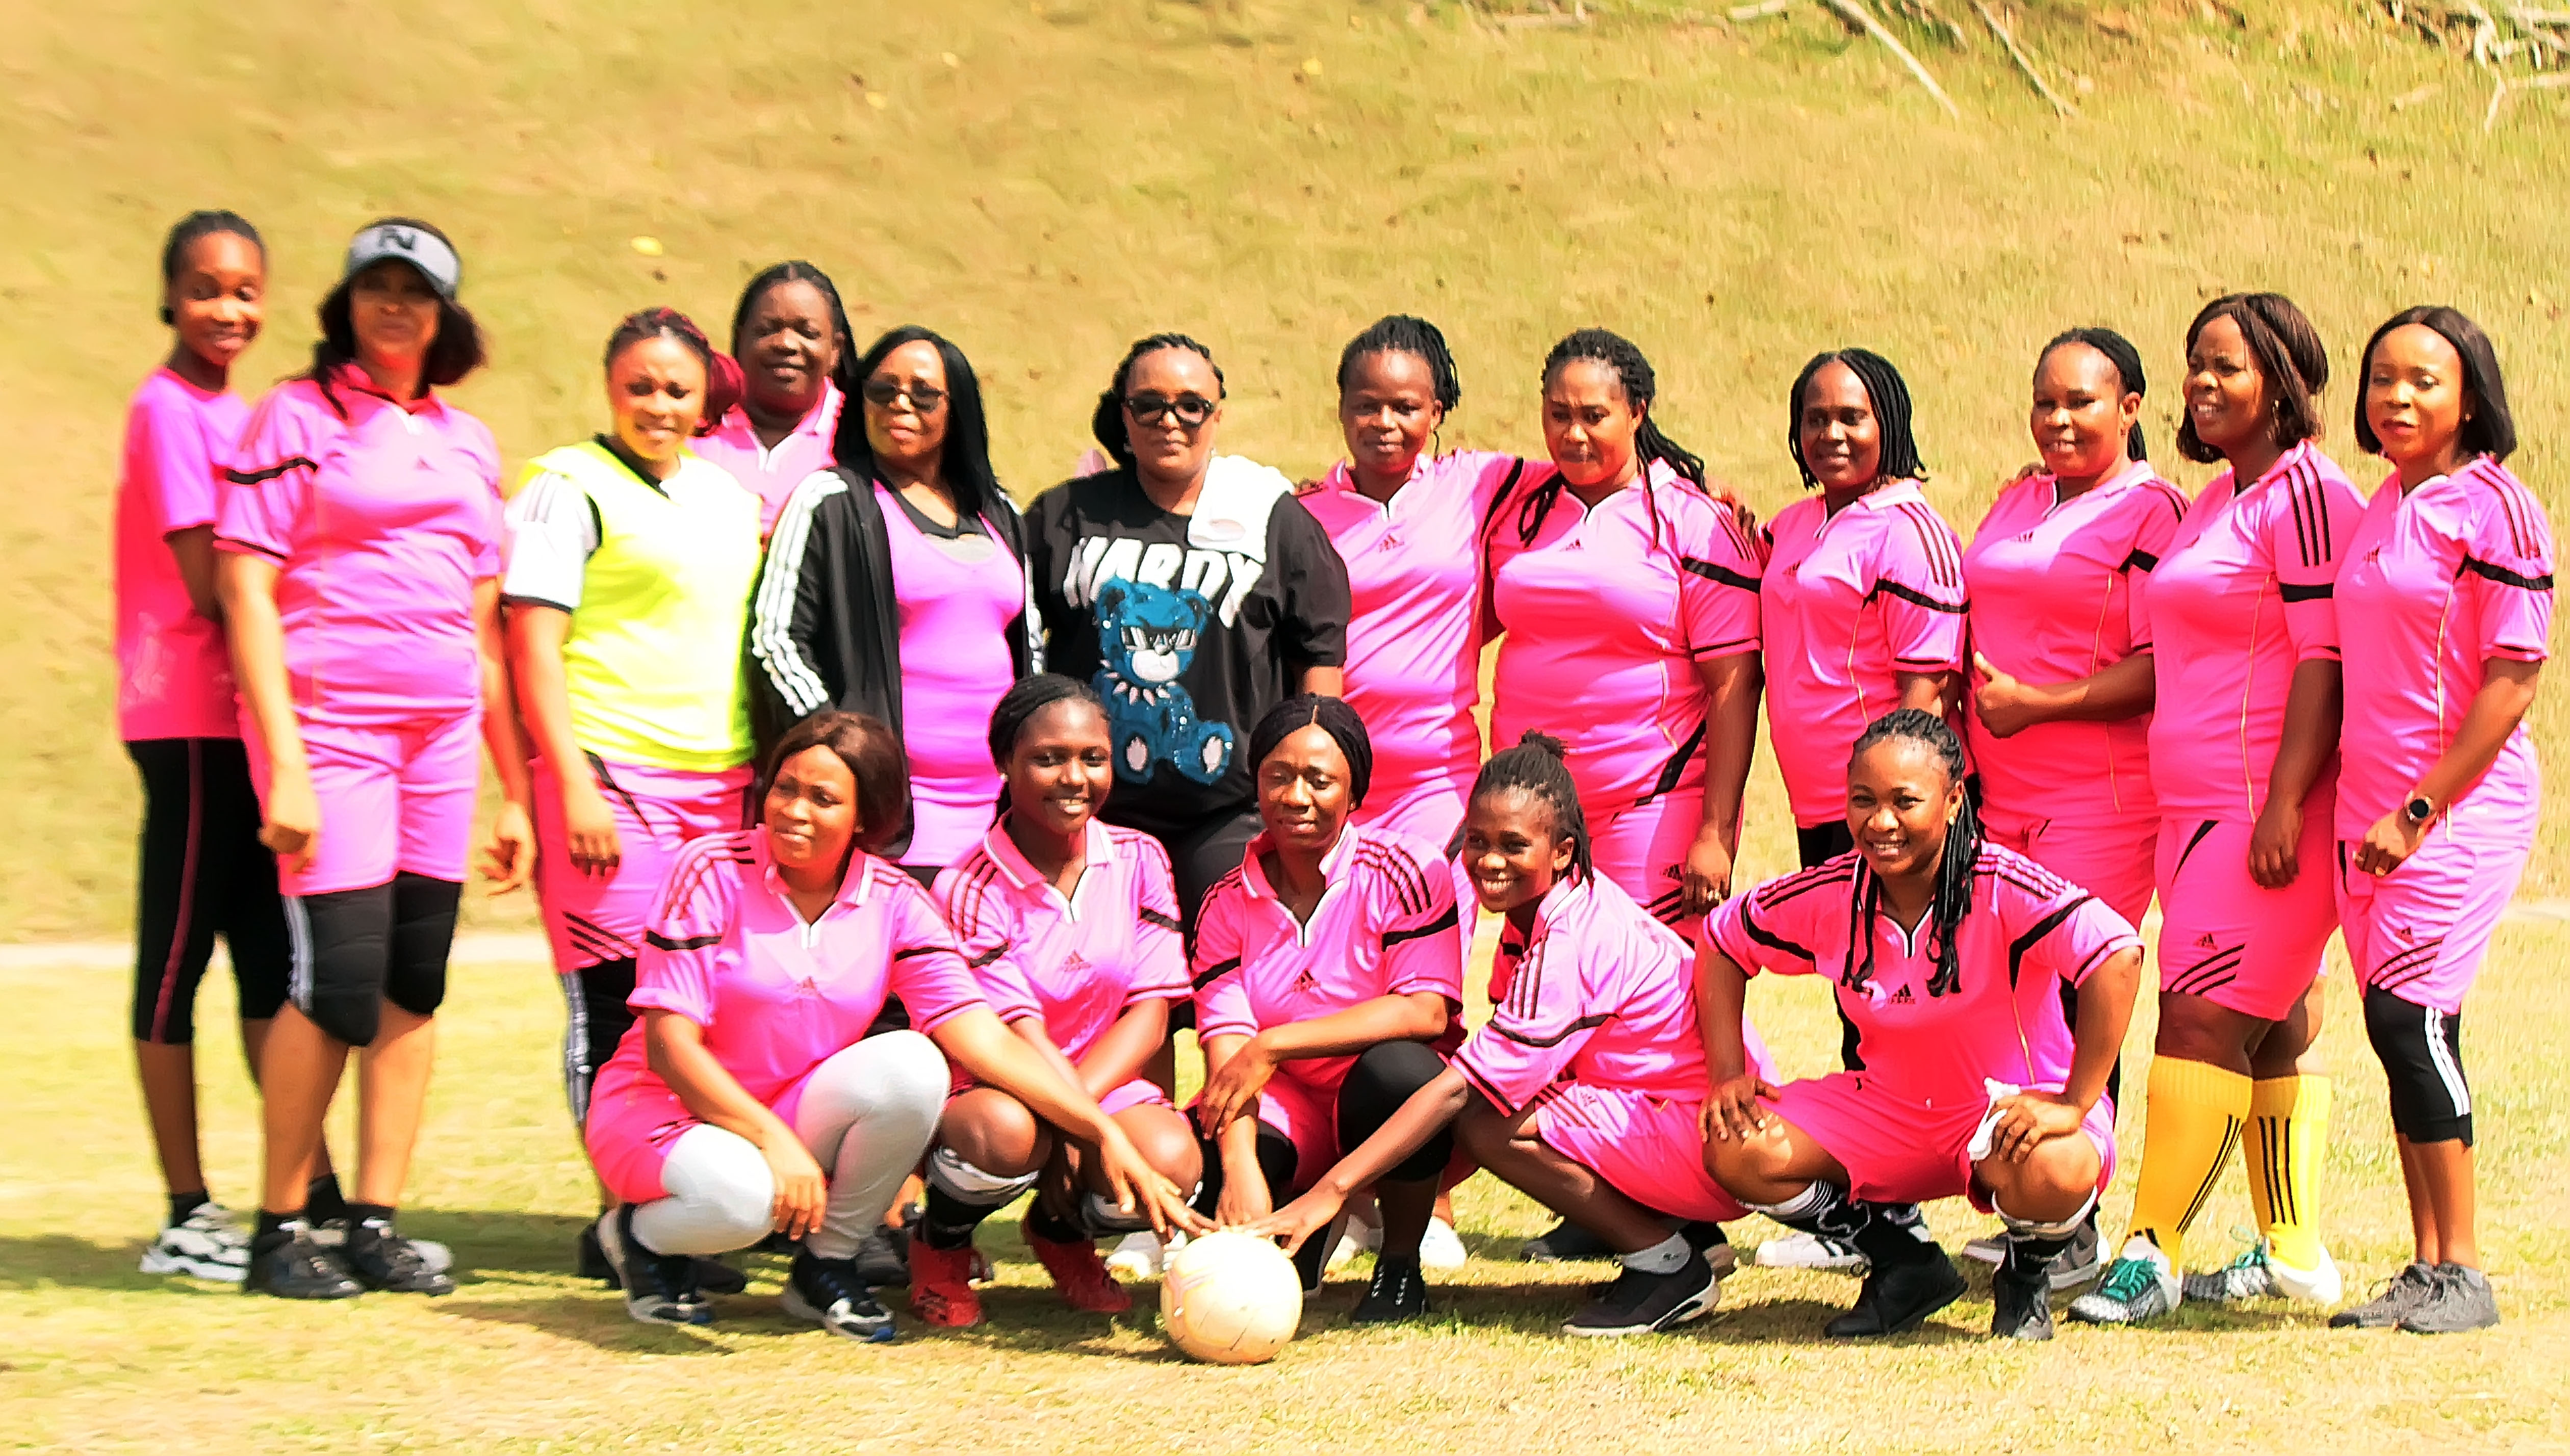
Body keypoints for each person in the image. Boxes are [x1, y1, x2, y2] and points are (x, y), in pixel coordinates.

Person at [582, 711, 1202, 1338]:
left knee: (914, 1061)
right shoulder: (709, 868)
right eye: (785, 788)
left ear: (863, 818)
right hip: (664, 1109)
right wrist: (773, 1141)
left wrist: (1100, 1132)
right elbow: (668, 1047)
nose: (795, 810)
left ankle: (827, 1267)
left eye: (824, 798)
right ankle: (637, 1238)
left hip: (790, 1113)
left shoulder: (896, 901)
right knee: (744, 1204)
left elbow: (980, 1037)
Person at [215, 218, 533, 1299]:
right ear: (346, 303)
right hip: (333, 729)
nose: (395, 306)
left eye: (417, 291)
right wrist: (288, 763)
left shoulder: (469, 441)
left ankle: (374, 1223)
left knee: (413, 983)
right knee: (338, 982)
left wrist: (516, 794)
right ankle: (277, 1228)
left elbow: (483, 629)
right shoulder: (293, 416)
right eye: (377, 287)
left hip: (441, 739)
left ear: (445, 315)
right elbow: (247, 588)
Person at [1245, 732, 1778, 1337]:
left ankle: (1667, 1267)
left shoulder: (1570, 939)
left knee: (1486, 1120)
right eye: (1477, 842)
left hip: (1720, 1142)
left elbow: (1461, 1093)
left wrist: (1333, 1189)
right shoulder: (1541, 920)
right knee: (1485, 1099)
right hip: (1685, 1125)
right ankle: (1682, 1232)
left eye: (1513, 846)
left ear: (1562, 851)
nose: (1489, 862)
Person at [2071, 292, 2362, 1325]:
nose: (2202, 382)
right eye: (2196, 364)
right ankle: (2293, 1254)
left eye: (2227, 366)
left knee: (2197, 1012)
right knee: (2271, 1018)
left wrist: (2285, 803)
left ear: (2282, 380)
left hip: (2259, 808)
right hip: (2191, 806)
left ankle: (2151, 1251)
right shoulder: (2213, 501)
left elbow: (2328, 659)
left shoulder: (2309, 494)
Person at [1699, 709, 2146, 1341]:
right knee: (1735, 1146)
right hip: (1889, 1111)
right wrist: (1727, 1073)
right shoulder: (1832, 893)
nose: (1881, 823)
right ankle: (1903, 1263)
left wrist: (2075, 1102)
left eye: (1905, 801)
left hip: (2006, 1116)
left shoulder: (2002, 883)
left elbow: (2116, 955)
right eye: (1863, 801)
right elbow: (1722, 944)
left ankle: (2026, 1276)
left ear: (1953, 798)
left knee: (2059, 1168)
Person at [500, 307, 763, 1286]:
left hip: (720, 790)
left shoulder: (729, 498)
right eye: (640, 386)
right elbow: (528, 645)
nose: (658, 404)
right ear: (611, 387)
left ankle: (685, 1214)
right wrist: (567, 783)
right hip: (610, 780)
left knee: (698, 1010)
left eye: (677, 389)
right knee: (612, 1009)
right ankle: (624, 1216)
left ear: (705, 402)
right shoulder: (566, 486)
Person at [2323, 307, 2549, 1334]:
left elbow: (2511, 682)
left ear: (2471, 394)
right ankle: (2423, 1270)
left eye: (2423, 380)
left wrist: (2420, 808)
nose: (2398, 398)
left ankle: (2466, 1271)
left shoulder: (2497, 508)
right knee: (2404, 1028)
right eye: (2382, 381)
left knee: (2408, 1021)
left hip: (2453, 812)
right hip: (2369, 813)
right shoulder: (2384, 502)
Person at [1955, 327, 2186, 1285]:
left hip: (2100, 795)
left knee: (2081, 986)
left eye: (2081, 402)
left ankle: (2076, 1223)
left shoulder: (2154, 514)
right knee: (2009, 999)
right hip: (1999, 794)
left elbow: (2161, 663)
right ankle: (2032, 1203)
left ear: (2130, 408)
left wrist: (2035, 706)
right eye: (2045, 400)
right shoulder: (2021, 496)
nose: (2058, 418)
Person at [1754, 347, 1965, 1275]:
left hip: (1888, 811)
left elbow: (1927, 698)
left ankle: (1912, 1213)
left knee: (1904, 1001)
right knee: (1856, 992)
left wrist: (1899, 812)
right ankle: (1870, 1208)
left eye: (1853, 416)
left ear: (1892, 422)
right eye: (1816, 418)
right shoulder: (1797, 524)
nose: (1833, 434)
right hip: (1819, 798)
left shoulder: (1909, 527)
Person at [909, 677, 1204, 1326]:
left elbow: (1150, 1013)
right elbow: (1017, 1034)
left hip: (1103, 1079)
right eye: (1049, 759)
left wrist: (1087, 1118)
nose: (1074, 778)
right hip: (1002, 1085)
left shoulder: (1141, 858)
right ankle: (940, 1244)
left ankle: (1057, 1230)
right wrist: (1085, 1129)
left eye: (1092, 758)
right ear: (1005, 764)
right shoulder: (967, 883)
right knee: (1010, 1136)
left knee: (1174, 1161)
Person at [119, 210, 294, 1282]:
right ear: (169, 298)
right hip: (187, 717)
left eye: (244, 290)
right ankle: (187, 1210)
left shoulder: (235, 412)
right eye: (205, 288)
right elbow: (210, 582)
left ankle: (298, 1192)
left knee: (271, 964)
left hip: (241, 724)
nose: (227, 308)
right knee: (176, 961)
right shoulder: (169, 410)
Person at [1190, 697, 1464, 1322]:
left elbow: (1425, 1013)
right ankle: (1306, 1228)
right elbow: (1229, 1050)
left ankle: (1399, 1265)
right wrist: (1239, 1170)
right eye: (1278, 776)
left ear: (1354, 792)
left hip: (1384, 1101)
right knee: (1217, 1170)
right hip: (1288, 1106)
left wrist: (1275, 1044)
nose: (1296, 796)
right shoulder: (1224, 900)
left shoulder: (1409, 870)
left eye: (1321, 780)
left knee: (1399, 1071)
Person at [1485, 328, 1761, 941]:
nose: (1574, 434)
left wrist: (1715, 834)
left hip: (1651, 804)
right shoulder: (1519, 510)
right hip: (1531, 810)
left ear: (1636, 412)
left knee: (1648, 999)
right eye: (1558, 415)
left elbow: (1735, 687)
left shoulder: (1695, 522)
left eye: (1594, 416)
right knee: (1535, 996)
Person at [751, 324, 1039, 880]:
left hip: (999, 818)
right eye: (882, 391)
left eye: (923, 394)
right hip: (897, 820)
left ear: (957, 407)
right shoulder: (832, 499)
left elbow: (1030, 648)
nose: (899, 405)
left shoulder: (998, 511)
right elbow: (775, 642)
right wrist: (844, 756)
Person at [1299, 315, 1523, 847]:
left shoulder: (1476, 484)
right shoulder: (1300, 517)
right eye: (1366, 405)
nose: (1384, 422)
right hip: (1330, 773)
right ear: (1341, 409)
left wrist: (1694, 482)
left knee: (1433, 924)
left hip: (1437, 779)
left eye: (1406, 407)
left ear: (1436, 411)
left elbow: (1592, 465)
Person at [695, 261, 850, 533]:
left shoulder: (859, 430)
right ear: (740, 340)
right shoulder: (694, 418)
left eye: (808, 333)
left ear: (835, 350)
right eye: (767, 330)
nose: (786, 344)